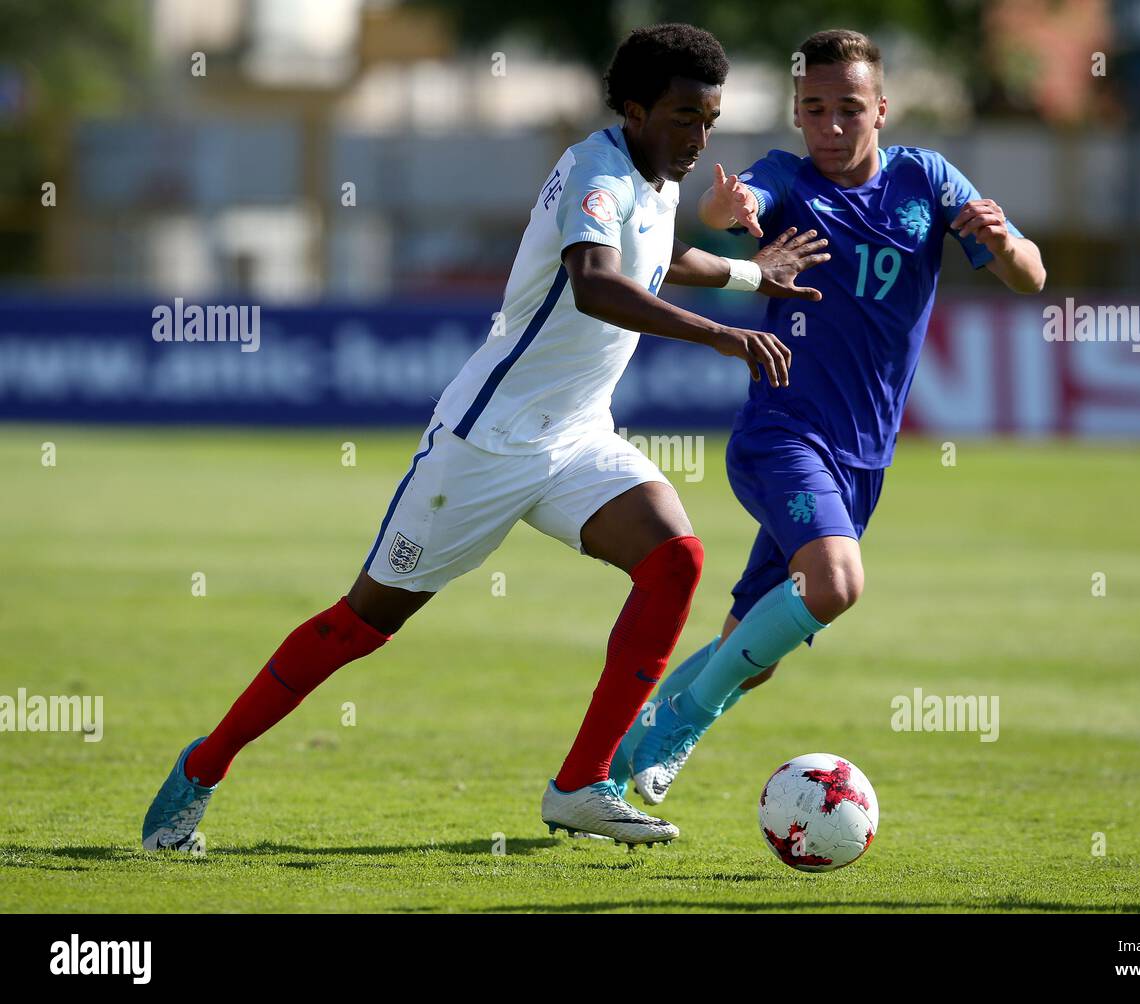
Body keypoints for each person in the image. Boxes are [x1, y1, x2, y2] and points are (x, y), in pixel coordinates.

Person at [142, 23, 828, 850]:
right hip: (484, 446)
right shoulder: (595, 171)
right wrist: (720, 334)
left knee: (674, 559)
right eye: (686, 117)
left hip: (577, 440)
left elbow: (657, 257)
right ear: (636, 108)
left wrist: (752, 273)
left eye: (711, 119)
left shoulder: (655, 177)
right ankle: (202, 767)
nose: (700, 136)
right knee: (360, 625)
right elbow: (597, 284)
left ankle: (580, 785)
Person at [618, 27, 1046, 805]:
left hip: (862, 460)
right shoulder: (784, 178)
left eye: (849, 108)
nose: (832, 126)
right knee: (836, 581)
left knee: (755, 646)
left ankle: (613, 766)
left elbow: (1031, 273)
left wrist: (1003, 244)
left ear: (881, 109)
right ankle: (681, 724)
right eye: (814, 109)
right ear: (796, 112)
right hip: (781, 435)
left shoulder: (928, 180)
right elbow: (728, 203)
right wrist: (729, 205)